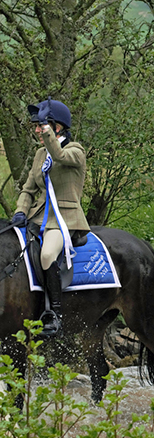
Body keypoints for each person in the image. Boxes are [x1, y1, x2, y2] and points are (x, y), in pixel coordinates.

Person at [12, 99, 89, 337]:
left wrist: (47, 135)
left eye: (41, 125)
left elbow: (60, 155)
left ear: (57, 126)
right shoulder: (39, 155)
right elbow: (28, 189)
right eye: (37, 126)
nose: (36, 130)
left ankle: (54, 314)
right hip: (37, 218)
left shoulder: (76, 151)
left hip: (64, 219)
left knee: (47, 254)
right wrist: (20, 211)